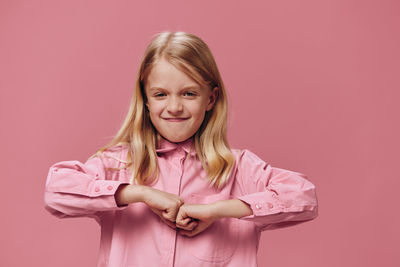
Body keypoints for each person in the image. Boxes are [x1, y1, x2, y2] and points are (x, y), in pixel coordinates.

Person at [44, 31, 318, 267]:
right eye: (161, 94)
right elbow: (56, 190)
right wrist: (139, 193)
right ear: (146, 99)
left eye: (189, 93)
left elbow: (304, 197)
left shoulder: (238, 169)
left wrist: (218, 210)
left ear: (210, 99)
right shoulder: (118, 164)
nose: (174, 107)